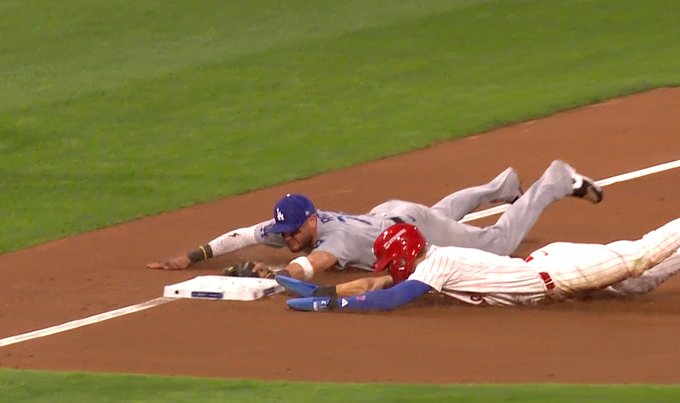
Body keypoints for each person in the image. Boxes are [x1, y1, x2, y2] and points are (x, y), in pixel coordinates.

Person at [147, 160, 603, 280]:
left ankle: (553, 181)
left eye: (294, 233)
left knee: (497, 242)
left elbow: (311, 267)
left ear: (311, 222)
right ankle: (501, 185)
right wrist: (192, 257)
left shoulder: (335, 239)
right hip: (389, 215)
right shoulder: (297, 226)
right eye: (284, 233)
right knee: (441, 214)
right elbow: (243, 234)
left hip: (405, 227)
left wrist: (272, 273)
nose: (288, 240)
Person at [280, 218, 680, 311]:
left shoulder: (439, 264)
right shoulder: (427, 263)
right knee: (642, 283)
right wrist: (321, 290)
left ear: (405, 254)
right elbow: (377, 285)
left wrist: (327, 305)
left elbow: (388, 299)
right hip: (548, 266)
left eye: (390, 261)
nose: (387, 268)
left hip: (562, 272)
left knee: (640, 257)